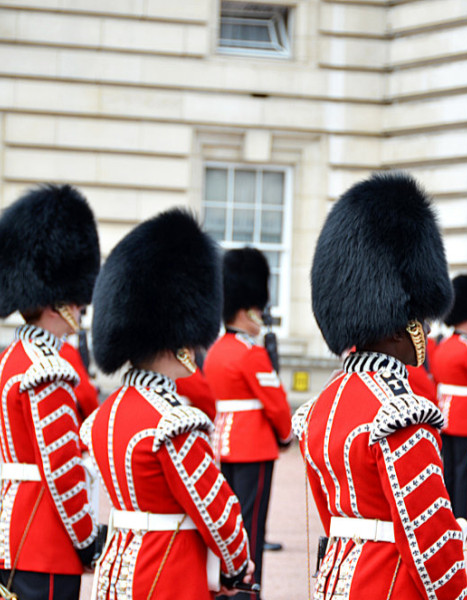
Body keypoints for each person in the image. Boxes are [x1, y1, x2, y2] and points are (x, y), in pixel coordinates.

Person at [293, 172, 467, 599]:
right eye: (419, 320)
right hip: (390, 584)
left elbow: (330, 513)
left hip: (335, 581)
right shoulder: (401, 411)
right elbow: (431, 544)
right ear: (399, 326)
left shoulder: (322, 407)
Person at [82, 208, 254, 599]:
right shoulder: (174, 422)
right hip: (167, 577)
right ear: (181, 336)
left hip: (116, 575)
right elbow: (218, 513)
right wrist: (237, 567)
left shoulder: (104, 416)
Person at [0, 185, 103, 600]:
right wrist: (86, 537)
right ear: (59, 302)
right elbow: (62, 469)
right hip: (45, 541)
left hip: (11, 529)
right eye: (78, 302)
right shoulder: (49, 370)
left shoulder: (11, 358)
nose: (82, 309)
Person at [204, 247, 293, 599]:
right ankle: (247, 593)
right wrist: (286, 436)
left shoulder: (215, 351)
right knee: (251, 530)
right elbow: (277, 406)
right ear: (246, 310)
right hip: (253, 447)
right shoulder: (251, 354)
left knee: (224, 527)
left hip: (220, 447)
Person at [429, 274, 467, 531]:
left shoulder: (443, 345)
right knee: (464, 473)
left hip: (445, 413)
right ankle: (462, 518)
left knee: (448, 470)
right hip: (466, 418)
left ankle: (448, 515)